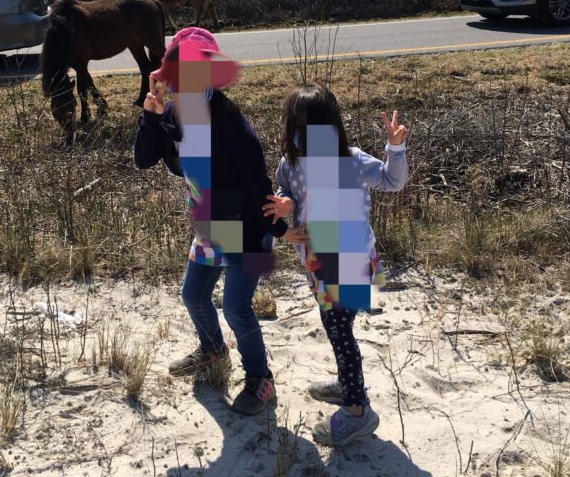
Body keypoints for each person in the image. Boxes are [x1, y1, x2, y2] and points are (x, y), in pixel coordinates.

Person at [134, 27, 294, 415]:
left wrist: (280, 231)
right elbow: (143, 158)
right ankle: (212, 351)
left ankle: (261, 379)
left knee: (237, 308)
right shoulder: (173, 113)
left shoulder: (232, 125)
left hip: (249, 229)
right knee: (193, 295)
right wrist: (151, 117)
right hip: (210, 225)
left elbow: (259, 185)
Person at [263, 83, 409, 446]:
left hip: (354, 259)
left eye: (312, 129)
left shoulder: (353, 160)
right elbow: (287, 196)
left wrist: (395, 148)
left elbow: (393, 181)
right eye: (296, 128)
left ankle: (357, 409)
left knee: (340, 332)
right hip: (318, 263)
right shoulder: (290, 164)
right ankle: (348, 384)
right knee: (338, 329)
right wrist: (283, 207)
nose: (303, 136)